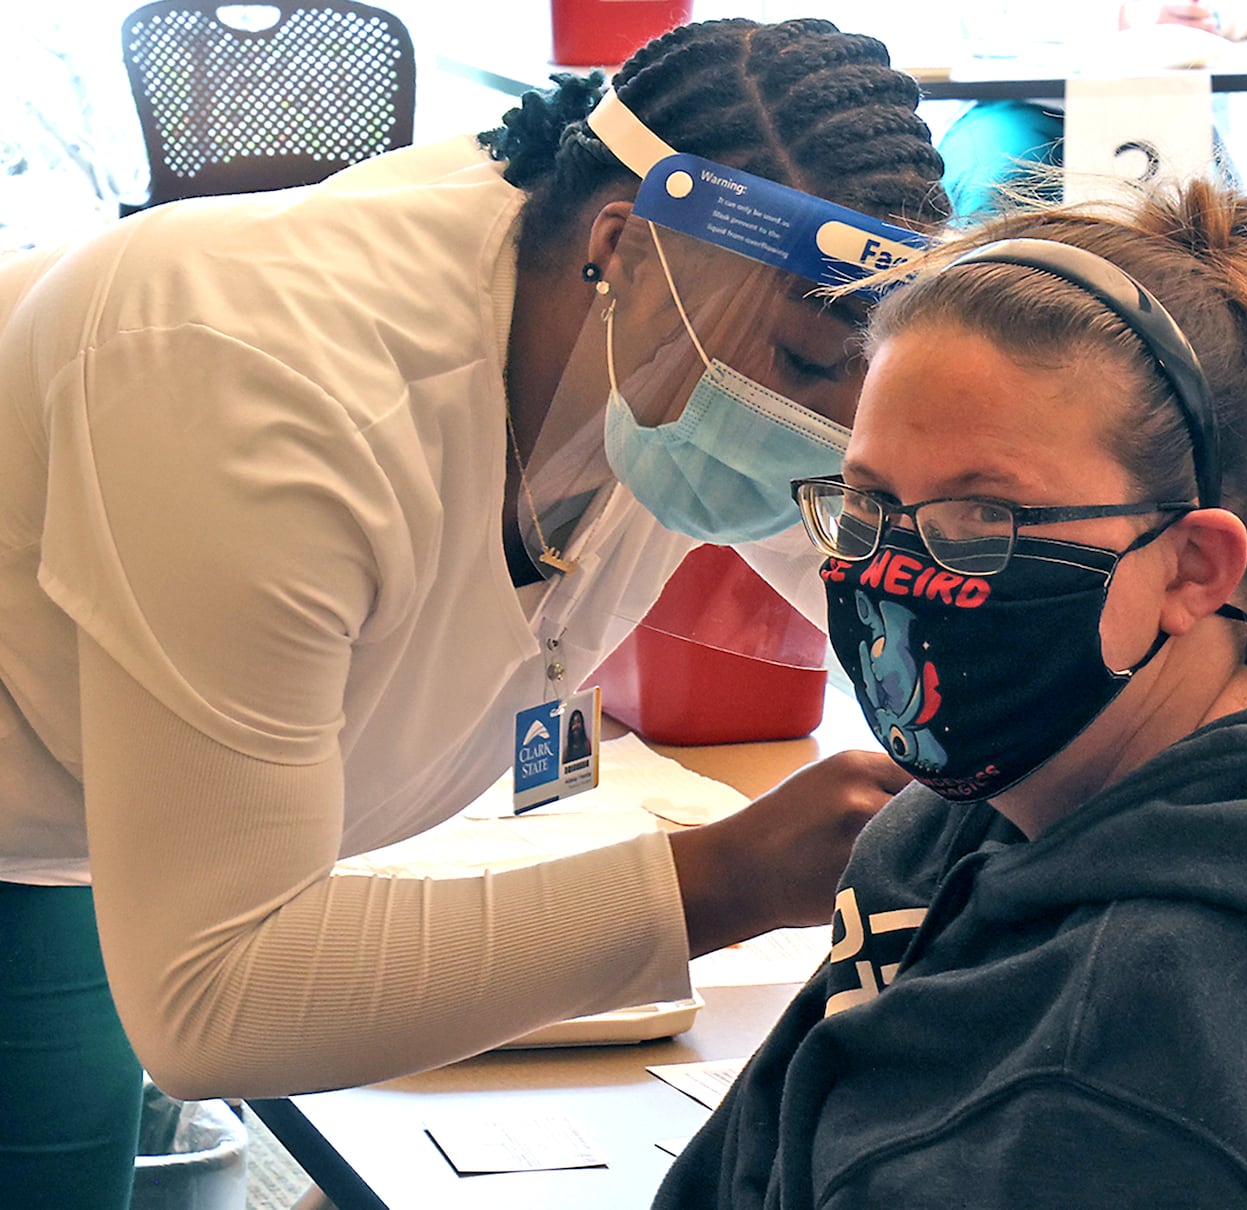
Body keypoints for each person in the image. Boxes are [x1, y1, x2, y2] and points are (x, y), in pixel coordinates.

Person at [0, 17, 948, 1208]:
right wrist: (734, 877)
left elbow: (896, 592)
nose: (822, 428)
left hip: (112, 797)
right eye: (809, 368)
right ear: (623, 246)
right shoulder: (253, 382)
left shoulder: (679, 334)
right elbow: (218, 999)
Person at [653, 178, 1247, 1207]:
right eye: (871, 500)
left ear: (1195, 567)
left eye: (983, 518)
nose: (895, 567)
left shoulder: (1129, 1065)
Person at [938, 2, 1247, 218]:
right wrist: (1128, 21)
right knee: (987, 199)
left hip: (1160, 105)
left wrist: (1207, 17)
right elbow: (980, 24)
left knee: (1219, 220)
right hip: (1023, 105)